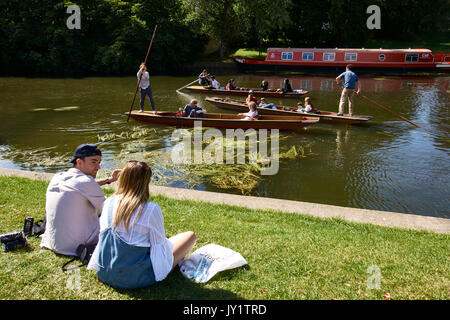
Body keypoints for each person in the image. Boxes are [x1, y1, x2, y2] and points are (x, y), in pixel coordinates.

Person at [87, 160, 197, 289]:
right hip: (135, 278)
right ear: (147, 181)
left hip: (105, 273)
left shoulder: (108, 202)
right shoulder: (150, 209)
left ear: (123, 178)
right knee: (190, 236)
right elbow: (159, 247)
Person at [40, 144, 121, 256]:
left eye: (99, 162)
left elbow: (82, 185)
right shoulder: (86, 182)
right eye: (93, 162)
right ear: (79, 162)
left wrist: (109, 180)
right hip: (76, 246)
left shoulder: (58, 176)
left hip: (54, 242)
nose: (98, 167)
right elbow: (110, 211)